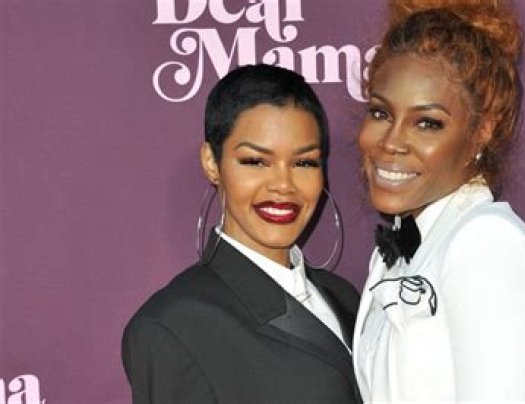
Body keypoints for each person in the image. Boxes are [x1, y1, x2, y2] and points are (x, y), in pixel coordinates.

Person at [352, 0, 525, 402]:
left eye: (427, 123)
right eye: (381, 114)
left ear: (481, 131)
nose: (391, 142)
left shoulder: (486, 242)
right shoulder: (398, 254)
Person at [122, 64, 361, 404]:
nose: (283, 185)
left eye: (304, 162)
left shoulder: (344, 297)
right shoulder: (172, 326)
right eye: (255, 161)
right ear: (212, 163)